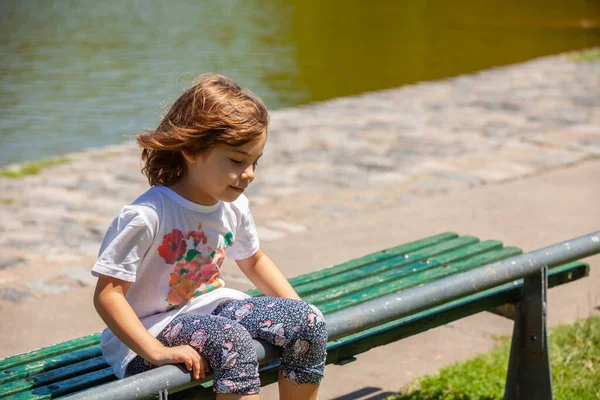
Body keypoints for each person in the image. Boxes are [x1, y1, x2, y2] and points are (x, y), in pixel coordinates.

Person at [92, 74, 327, 400]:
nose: (249, 174)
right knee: (233, 341)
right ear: (191, 150)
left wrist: (296, 311)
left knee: (310, 321)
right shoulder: (147, 215)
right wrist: (154, 351)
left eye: (255, 162)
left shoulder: (234, 206)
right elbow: (107, 296)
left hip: (211, 312)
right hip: (148, 334)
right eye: (237, 160)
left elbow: (255, 260)